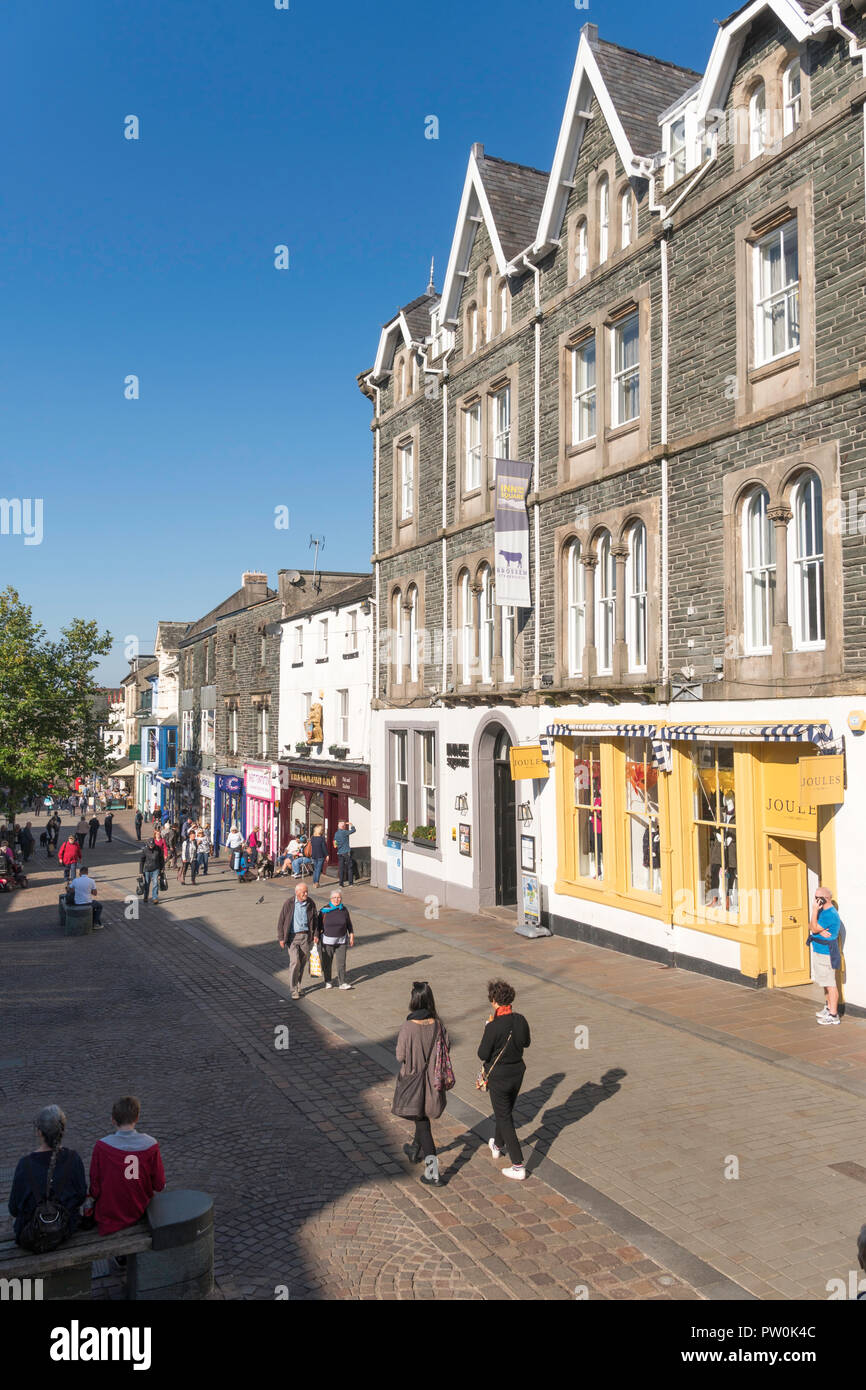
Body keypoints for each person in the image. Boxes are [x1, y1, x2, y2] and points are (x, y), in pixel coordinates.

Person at [8, 1104, 87, 1248]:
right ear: (62, 1131)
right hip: (65, 1230)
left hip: (33, 1234)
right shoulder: (73, 1159)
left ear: (39, 1132)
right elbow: (81, 1197)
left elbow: (13, 1208)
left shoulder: (24, 1165)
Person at [395, 982, 450, 1187]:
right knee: (422, 1117)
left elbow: (400, 1055)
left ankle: (433, 1173)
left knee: (423, 1125)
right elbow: (447, 1048)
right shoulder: (439, 1024)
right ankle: (414, 1149)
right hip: (434, 1082)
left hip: (414, 1082)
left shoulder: (408, 1026)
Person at [85, 1096, 166, 1236]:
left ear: (113, 1120)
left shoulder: (101, 1147)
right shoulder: (151, 1145)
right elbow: (159, 1184)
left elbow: (95, 1188)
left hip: (110, 1215)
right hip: (139, 1209)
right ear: (137, 1118)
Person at [478, 980, 531, 1180]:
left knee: (504, 1117)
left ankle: (518, 1165)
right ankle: (497, 1145)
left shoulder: (493, 1026)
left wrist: (488, 1029)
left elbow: (483, 1053)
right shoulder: (520, 1020)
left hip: (499, 1076)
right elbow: (526, 1042)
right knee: (504, 1112)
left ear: (494, 1001)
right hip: (517, 1072)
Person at [277, 881, 319, 1000]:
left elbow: (315, 920)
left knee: (302, 963)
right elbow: (281, 920)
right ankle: (293, 989)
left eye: (306, 891)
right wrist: (281, 938)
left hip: (306, 937)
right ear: (297, 892)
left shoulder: (310, 903)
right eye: (303, 892)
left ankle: (299, 984)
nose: (305, 894)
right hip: (292, 937)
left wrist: (315, 934)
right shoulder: (289, 903)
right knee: (295, 962)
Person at [808, 886, 843, 1026]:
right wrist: (818, 930)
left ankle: (834, 1015)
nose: (815, 901)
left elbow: (814, 927)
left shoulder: (830, 914)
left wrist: (815, 913)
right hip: (819, 951)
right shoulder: (822, 911)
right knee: (824, 982)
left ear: (824, 899)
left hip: (826, 953)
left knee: (830, 984)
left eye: (817, 898)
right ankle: (828, 1007)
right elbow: (811, 925)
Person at [317, 888, 355, 989]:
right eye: (335, 898)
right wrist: (316, 937)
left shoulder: (344, 909)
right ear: (330, 899)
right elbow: (318, 926)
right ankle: (328, 981)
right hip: (327, 941)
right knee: (327, 962)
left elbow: (349, 924)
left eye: (339, 898)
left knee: (341, 962)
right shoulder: (324, 911)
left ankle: (342, 982)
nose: (337, 900)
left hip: (342, 940)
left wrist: (351, 934)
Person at [139, 836, 165, 903]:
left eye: (152, 845)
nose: (151, 846)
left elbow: (161, 859)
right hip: (147, 869)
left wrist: (162, 868)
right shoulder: (145, 850)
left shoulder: (158, 849)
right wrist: (140, 871)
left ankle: (155, 898)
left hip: (155, 868)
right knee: (147, 884)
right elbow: (142, 861)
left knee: (155, 883)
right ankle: (146, 896)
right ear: (148, 844)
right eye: (150, 845)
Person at [334, 821, 356, 887]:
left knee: (341, 868)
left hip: (340, 853)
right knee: (350, 867)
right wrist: (351, 824)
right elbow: (353, 830)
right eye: (344, 826)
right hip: (346, 852)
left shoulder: (336, 833)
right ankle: (350, 883)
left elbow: (335, 843)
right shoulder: (344, 832)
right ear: (343, 827)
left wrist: (338, 847)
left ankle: (341, 883)